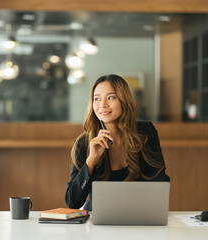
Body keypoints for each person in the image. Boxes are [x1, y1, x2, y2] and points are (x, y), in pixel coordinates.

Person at [65, 74, 170, 211]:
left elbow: (160, 181)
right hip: (98, 223)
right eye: (97, 99)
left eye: (110, 97)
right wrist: (91, 160)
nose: (102, 105)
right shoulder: (83, 143)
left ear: (123, 100)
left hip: (139, 216)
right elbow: (72, 202)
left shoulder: (145, 132)